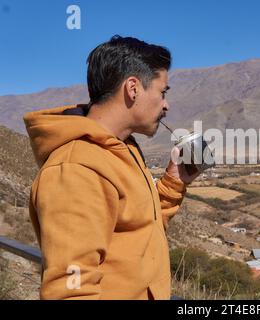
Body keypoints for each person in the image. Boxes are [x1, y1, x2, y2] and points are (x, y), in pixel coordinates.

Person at [23, 35, 199, 299]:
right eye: (162, 92)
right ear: (133, 88)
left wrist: (174, 182)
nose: (166, 104)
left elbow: (139, 228)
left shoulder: (122, 149)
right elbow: (71, 290)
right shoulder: (76, 169)